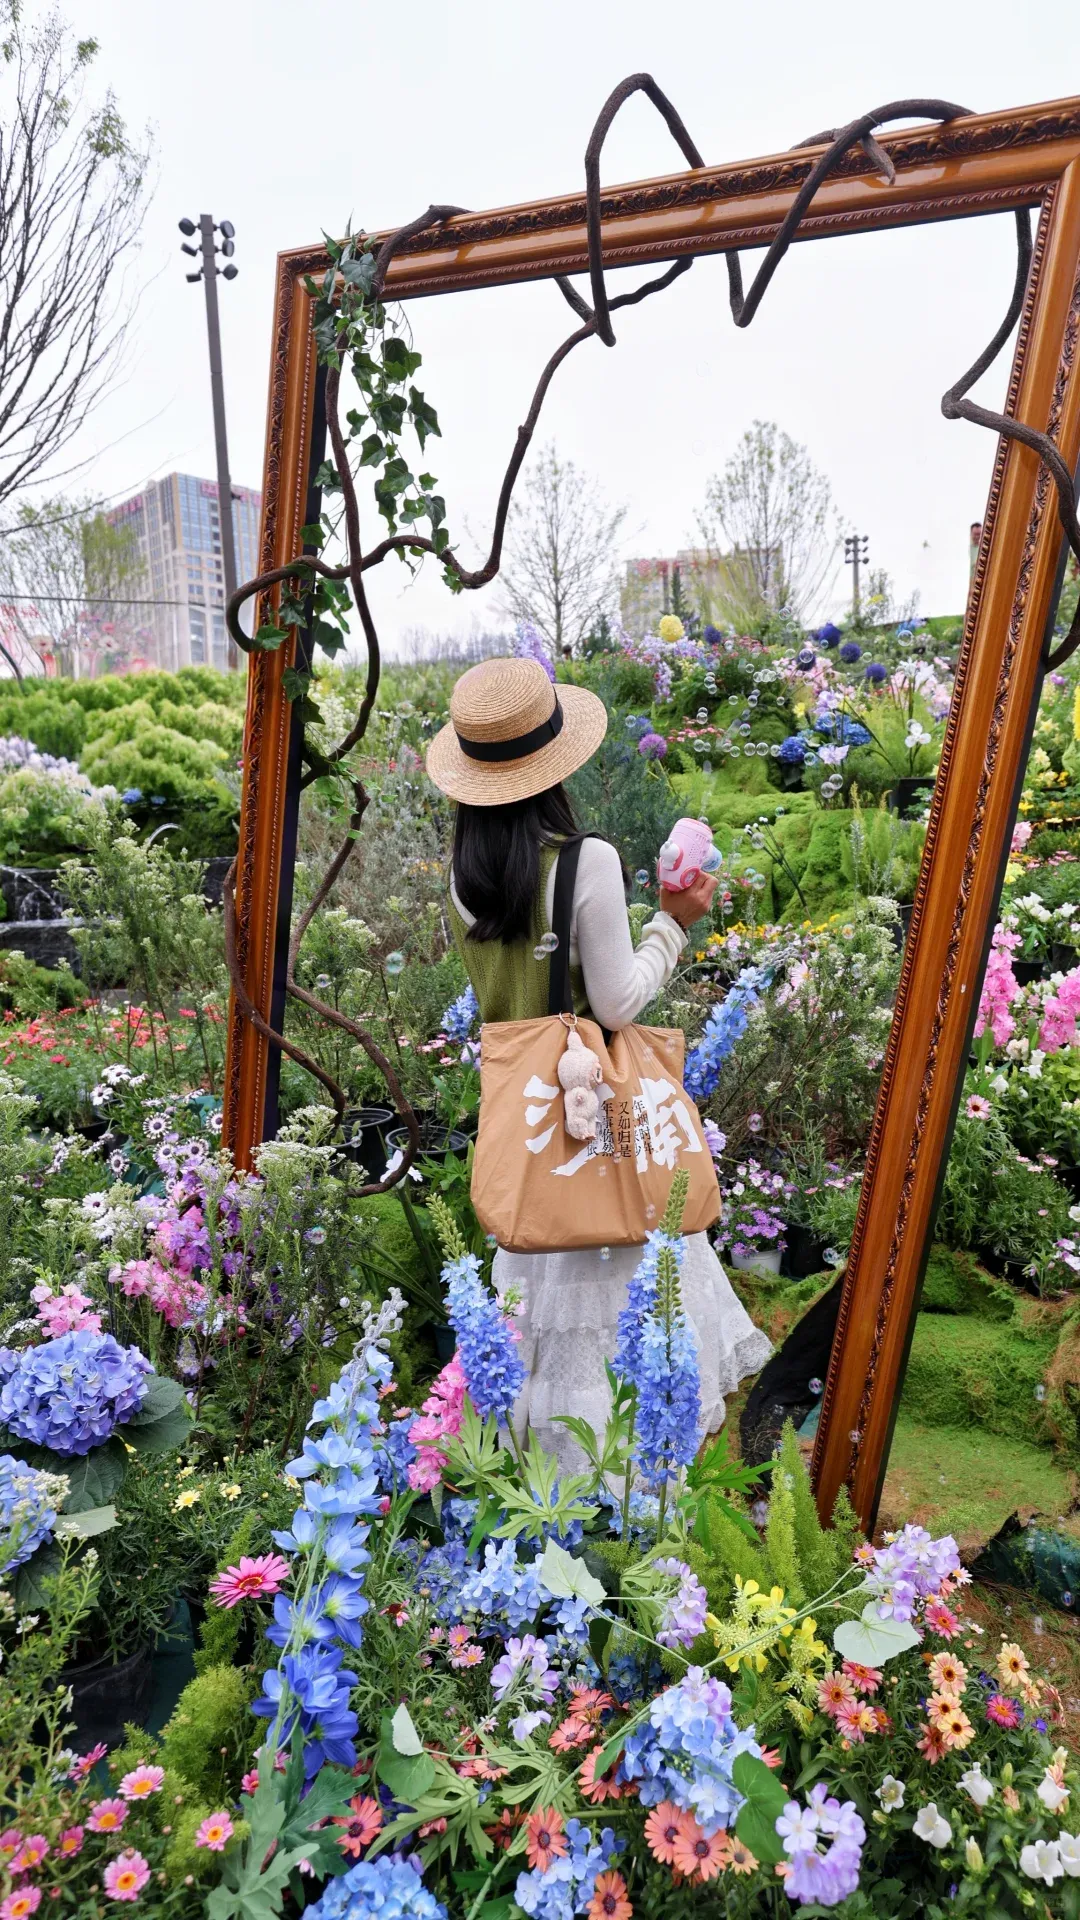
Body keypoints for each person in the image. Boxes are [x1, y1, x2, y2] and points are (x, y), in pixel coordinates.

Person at [425, 654, 771, 1470]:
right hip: (602, 1124)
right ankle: (632, 1491)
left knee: (547, 1336)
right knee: (630, 1315)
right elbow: (616, 1005)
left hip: (528, 1125)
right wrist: (674, 922)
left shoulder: (466, 876)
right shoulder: (585, 861)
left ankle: (557, 1499)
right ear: (555, 761)